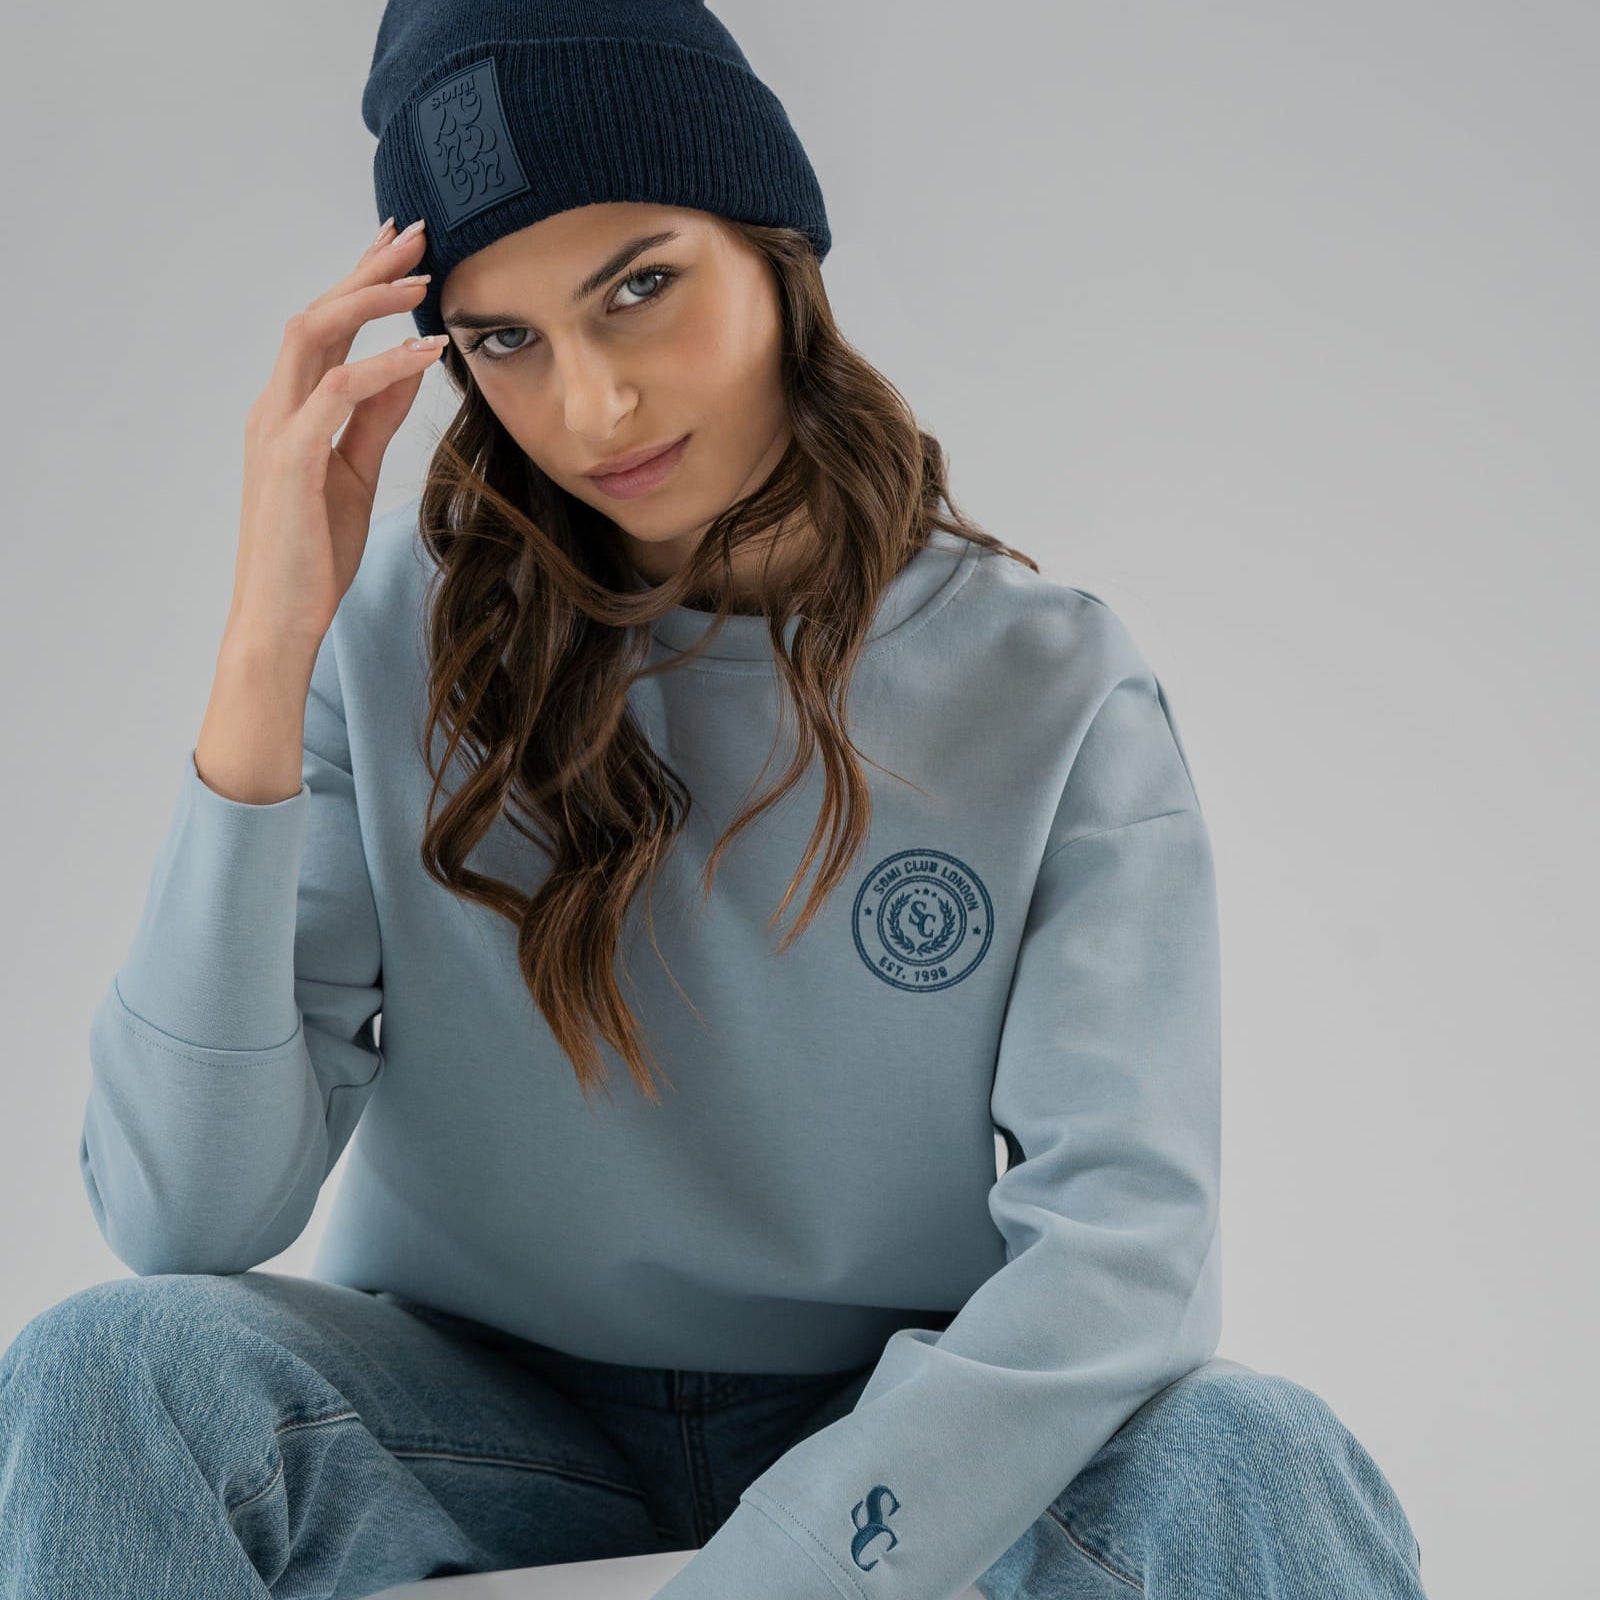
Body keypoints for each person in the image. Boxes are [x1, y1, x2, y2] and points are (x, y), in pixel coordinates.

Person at [0, 2, 1429, 1597]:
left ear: (775, 251)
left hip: (901, 1414)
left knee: (1261, 1458)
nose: (595, 404)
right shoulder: (389, 632)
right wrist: (270, 643)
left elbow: (1129, 1251)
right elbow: (181, 1211)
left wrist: (797, 1567)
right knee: (106, 1371)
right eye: (507, 338)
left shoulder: (1048, 681)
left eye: (642, 285)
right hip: (478, 1418)